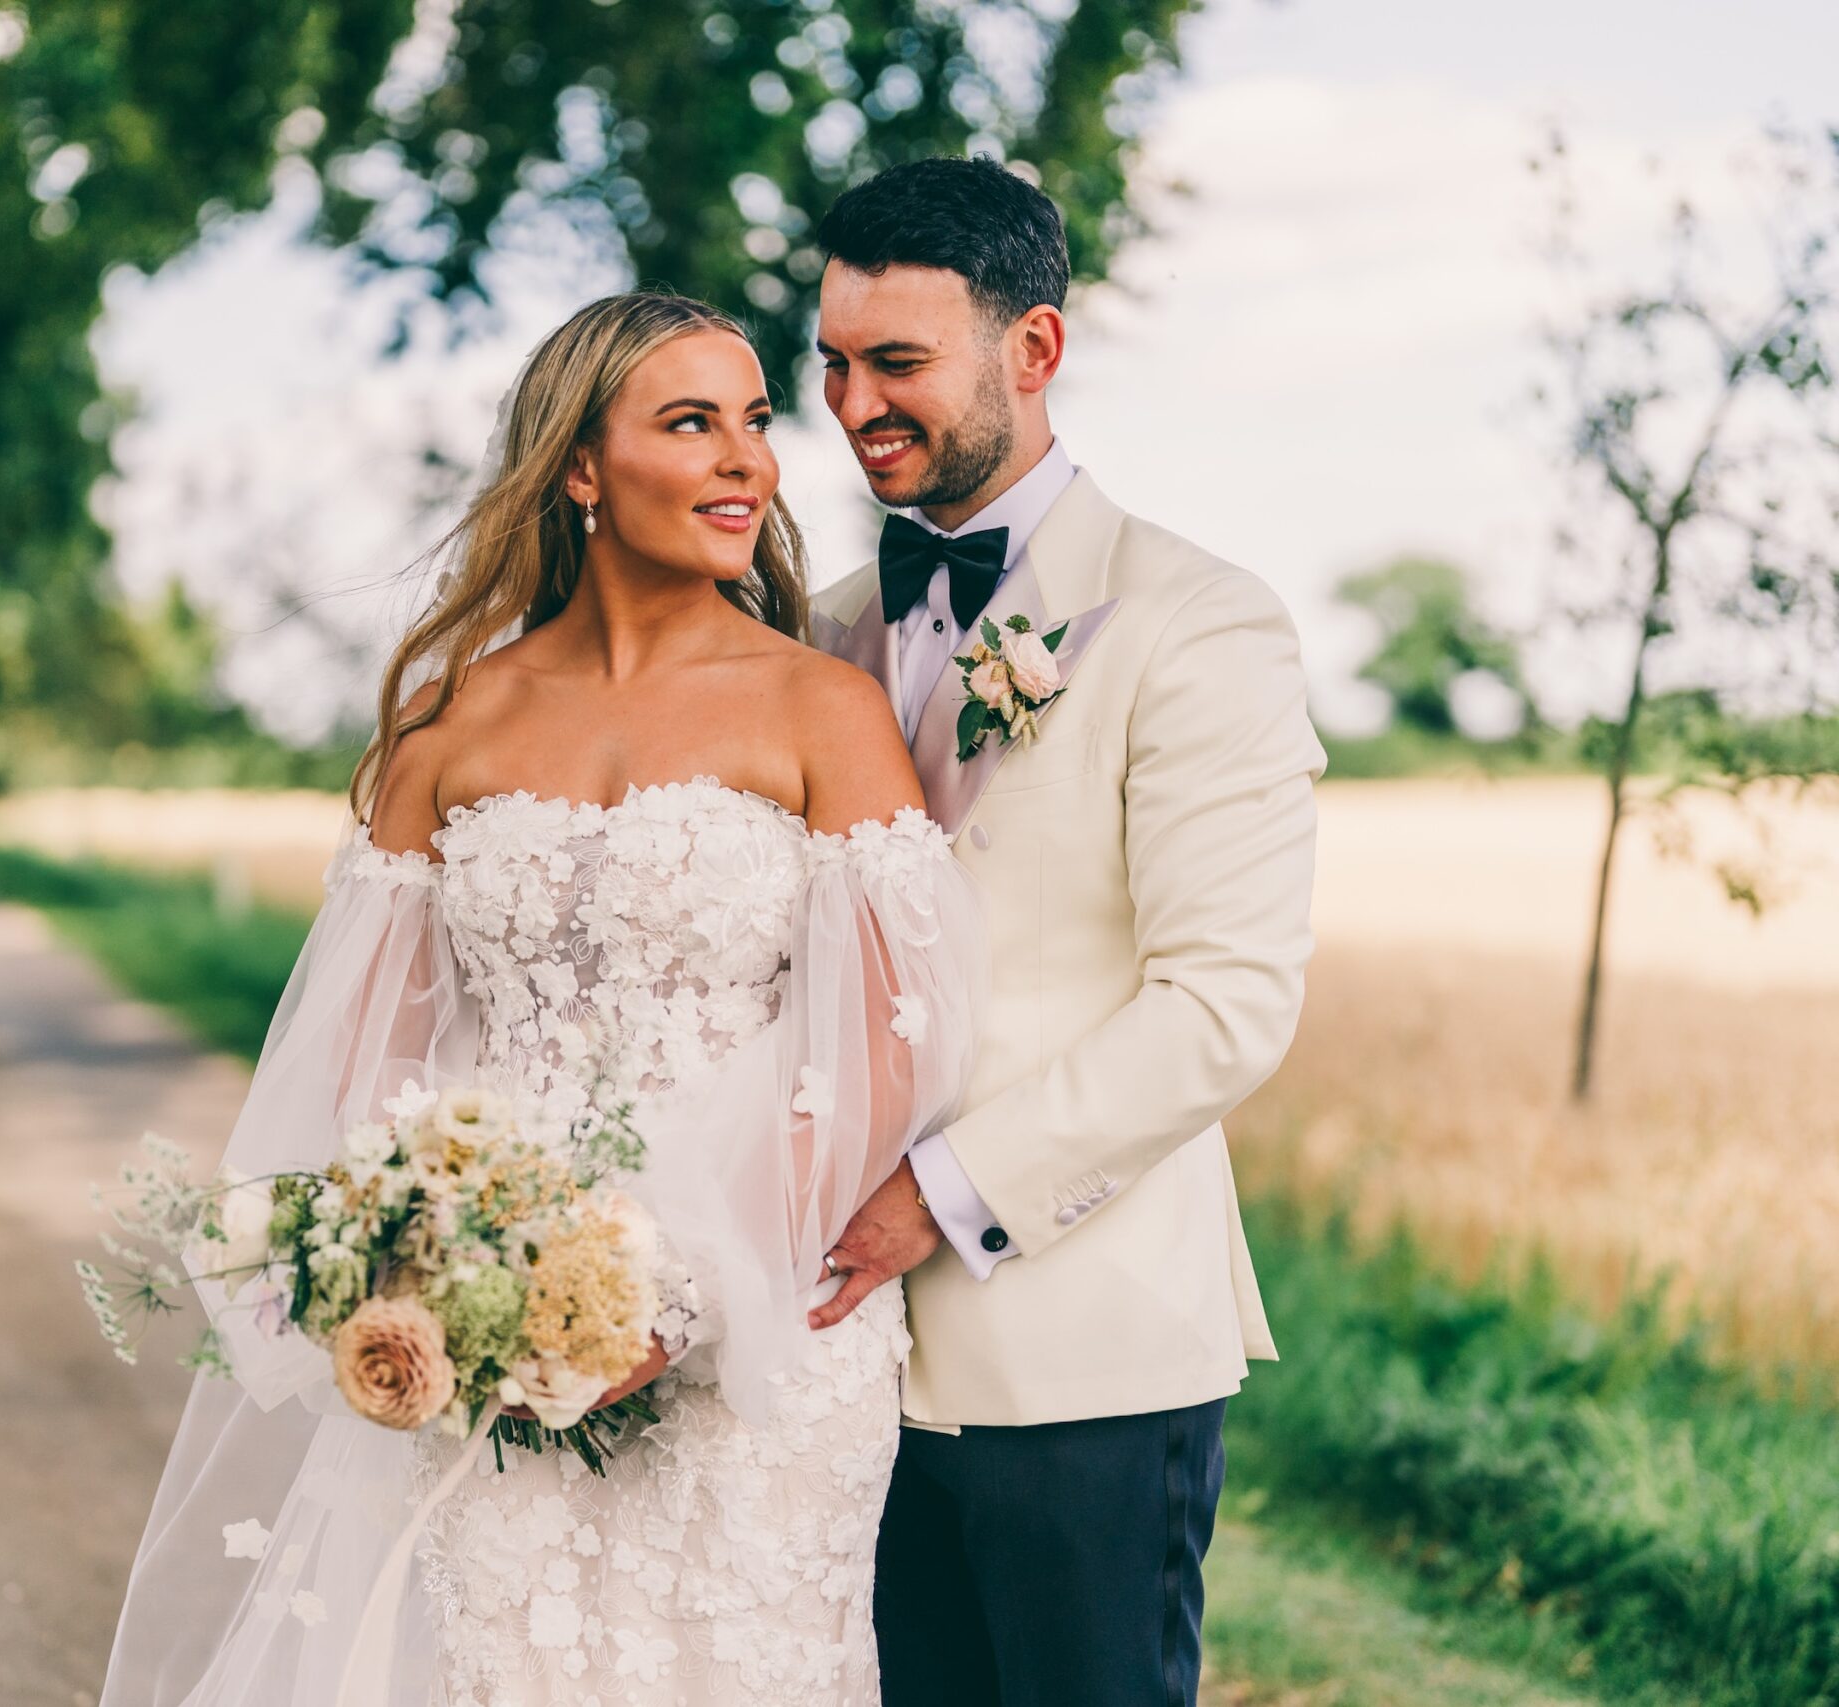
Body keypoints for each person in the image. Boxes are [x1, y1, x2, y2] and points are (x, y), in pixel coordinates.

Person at [99, 290, 990, 1707]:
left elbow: (891, 1048)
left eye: (755, 422)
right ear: (580, 468)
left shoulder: (820, 708)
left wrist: (675, 1300)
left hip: (766, 1333)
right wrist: (446, 1280)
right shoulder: (452, 726)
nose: (746, 461)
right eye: (690, 422)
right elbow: (372, 1065)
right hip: (495, 1329)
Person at [802, 156, 1327, 1707]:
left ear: (1032, 351)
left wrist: (933, 1199)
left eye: (897, 363)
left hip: (1083, 1360)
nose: (853, 403)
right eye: (832, 361)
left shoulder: (1197, 619)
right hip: (835, 1365)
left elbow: (1222, 1006)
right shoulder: (817, 627)